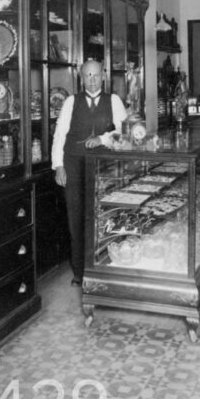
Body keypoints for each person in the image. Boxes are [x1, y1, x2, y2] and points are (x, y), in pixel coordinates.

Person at [51, 60, 127, 285]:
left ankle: (105, 267)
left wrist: (102, 138)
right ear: (81, 78)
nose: (92, 80)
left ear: (102, 76)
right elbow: (60, 135)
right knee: (76, 216)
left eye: (95, 75)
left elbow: (124, 131)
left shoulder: (113, 100)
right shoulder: (70, 102)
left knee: (104, 214)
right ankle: (80, 272)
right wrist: (58, 166)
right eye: (87, 76)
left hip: (103, 165)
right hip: (73, 163)